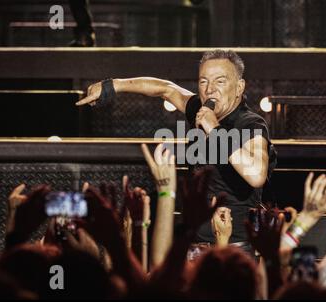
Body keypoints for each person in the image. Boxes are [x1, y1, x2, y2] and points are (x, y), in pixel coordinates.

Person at [76, 49, 277, 257]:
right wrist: (112, 86)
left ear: (239, 87)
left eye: (220, 82)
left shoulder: (251, 124)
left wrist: (214, 129)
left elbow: (256, 175)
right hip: (195, 245)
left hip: (235, 249)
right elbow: (166, 89)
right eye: (203, 82)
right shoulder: (201, 111)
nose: (210, 90)